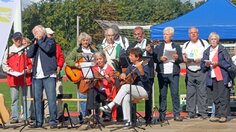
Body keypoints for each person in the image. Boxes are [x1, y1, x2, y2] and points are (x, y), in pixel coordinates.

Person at [100, 48, 149, 127]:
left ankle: (111, 105)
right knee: (126, 98)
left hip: (144, 90)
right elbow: (123, 77)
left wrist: (141, 71)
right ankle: (128, 121)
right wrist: (121, 76)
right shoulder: (130, 67)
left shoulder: (145, 65)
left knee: (126, 87)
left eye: (131, 56)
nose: (129, 57)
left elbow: (146, 80)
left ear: (137, 57)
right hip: (132, 90)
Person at [26, 25, 58, 128]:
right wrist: (34, 44)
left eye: (37, 32)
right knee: (37, 99)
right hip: (36, 75)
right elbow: (29, 54)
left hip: (48, 74)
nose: (36, 34)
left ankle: (53, 121)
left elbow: (48, 49)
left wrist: (39, 41)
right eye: (34, 33)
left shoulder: (50, 41)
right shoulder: (36, 43)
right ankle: (38, 122)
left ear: (43, 32)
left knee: (51, 98)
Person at [201, 32, 232, 123]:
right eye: (212, 39)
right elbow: (202, 67)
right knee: (215, 97)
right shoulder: (207, 51)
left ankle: (223, 115)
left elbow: (229, 64)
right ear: (209, 41)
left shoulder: (222, 50)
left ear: (217, 40)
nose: (213, 41)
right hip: (211, 76)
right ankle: (218, 115)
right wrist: (206, 65)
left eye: (215, 39)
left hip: (222, 76)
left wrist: (218, 63)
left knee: (223, 96)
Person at [153, 27, 183, 122]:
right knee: (162, 94)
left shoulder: (176, 46)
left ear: (171, 35)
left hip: (173, 73)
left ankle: (177, 114)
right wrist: (160, 58)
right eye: (164, 34)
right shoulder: (159, 46)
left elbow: (181, 59)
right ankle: (162, 115)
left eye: (167, 34)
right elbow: (154, 58)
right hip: (162, 73)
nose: (165, 36)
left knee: (174, 94)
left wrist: (177, 58)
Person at [2, 32, 32, 123]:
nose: (18, 40)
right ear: (13, 40)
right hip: (13, 78)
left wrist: (28, 69)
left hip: (25, 78)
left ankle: (27, 117)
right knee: (14, 99)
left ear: (22, 39)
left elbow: (31, 63)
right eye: (16, 39)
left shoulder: (26, 50)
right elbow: (4, 64)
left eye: (19, 38)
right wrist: (9, 69)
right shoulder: (9, 50)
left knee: (26, 98)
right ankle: (15, 117)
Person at [65, 32, 97, 120]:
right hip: (81, 75)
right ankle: (84, 116)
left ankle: (93, 115)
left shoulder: (94, 50)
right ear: (81, 41)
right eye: (83, 40)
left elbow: (98, 58)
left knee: (92, 94)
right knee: (82, 95)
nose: (85, 42)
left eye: (87, 40)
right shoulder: (77, 50)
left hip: (91, 74)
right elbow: (68, 60)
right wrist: (76, 65)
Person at [127, 26, 154, 124]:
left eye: (139, 34)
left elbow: (154, 54)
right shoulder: (133, 45)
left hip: (147, 73)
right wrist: (142, 50)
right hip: (135, 73)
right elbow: (127, 53)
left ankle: (148, 117)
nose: (137, 36)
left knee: (148, 95)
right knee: (132, 94)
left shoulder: (149, 42)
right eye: (135, 34)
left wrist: (150, 51)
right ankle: (133, 118)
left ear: (143, 34)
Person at [182, 27, 209, 119]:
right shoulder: (186, 44)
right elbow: (184, 57)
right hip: (190, 71)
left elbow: (209, 56)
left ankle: (203, 113)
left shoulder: (204, 43)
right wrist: (186, 60)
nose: (193, 34)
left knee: (202, 93)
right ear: (189, 34)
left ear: (198, 33)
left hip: (201, 70)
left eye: (195, 33)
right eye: (191, 33)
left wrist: (201, 60)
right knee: (190, 93)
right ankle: (191, 112)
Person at [84, 51, 116, 126]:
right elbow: (91, 79)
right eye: (97, 59)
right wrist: (89, 80)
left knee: (92, 93)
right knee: (91, 90)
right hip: (96, 91)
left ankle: (91, 114)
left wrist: (107, 79)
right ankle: (93, 114)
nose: (99, 61)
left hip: (105, 92)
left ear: (104, 59)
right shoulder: (94, 68)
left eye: (100, 59)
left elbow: (112, 83)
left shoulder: (109, 69)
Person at [43, 27, 65, 121]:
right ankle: (48, 115)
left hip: (57, 74)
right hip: (46, 74)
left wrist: (59, 66)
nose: (52, 36)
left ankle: (59, 114)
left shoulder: (57, 45)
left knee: (59, 93)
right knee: (46, 95)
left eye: (52, 34)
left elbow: (61, 56)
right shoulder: (42, 46)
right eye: (50, 34)